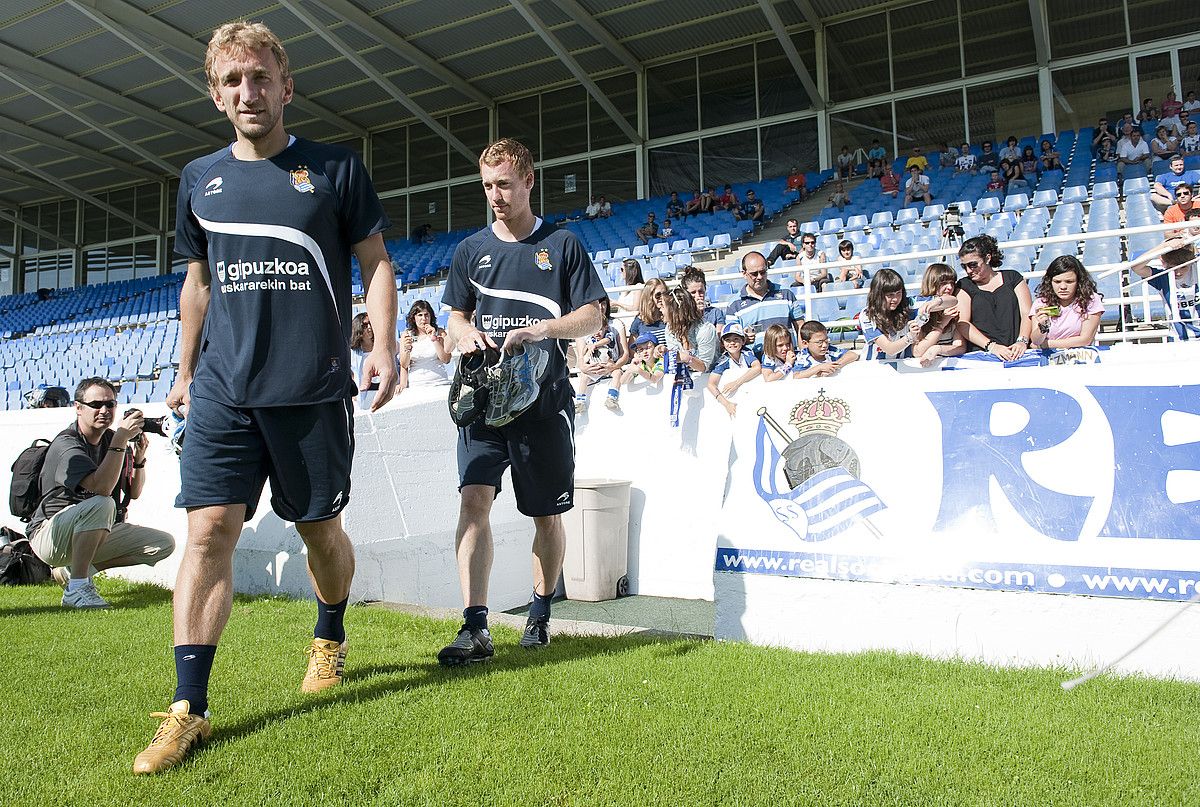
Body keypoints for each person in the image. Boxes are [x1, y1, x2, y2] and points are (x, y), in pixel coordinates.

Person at [134, 21, 399, 776]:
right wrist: (184, 372)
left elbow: (376, 263)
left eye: (260, 78)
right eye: (233, 82)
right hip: (223, 387)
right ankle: (190, 708)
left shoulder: (336, 169)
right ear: (216, 96)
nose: (248, 92)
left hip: (311, 386)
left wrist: (382, 345)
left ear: (287, 86)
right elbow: (198, 284)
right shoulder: (198, 179)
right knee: (209, 531)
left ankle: (330, 631)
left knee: (320, 533)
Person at [439, 137, 606, 665]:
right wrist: (463, 334)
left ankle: (538, 615)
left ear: (529, 181)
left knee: (544, 515)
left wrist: (543, 330)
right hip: (484, 404)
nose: (495, 195)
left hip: (544, 403)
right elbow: (454, 320)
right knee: (473, 503)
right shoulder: (470, 251)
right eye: (487, 186)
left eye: (504, 184)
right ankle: (475, 628)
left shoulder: (563, 245)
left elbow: (595, 316)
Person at [26, 377, 175, 608]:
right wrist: (120, 440)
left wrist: (139, 460)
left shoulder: (111, 440)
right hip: (49, 535)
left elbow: (133, 493)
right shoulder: (67, 444)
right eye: (96, 405)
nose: (104, 410)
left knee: (163, 544)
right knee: (103, 503)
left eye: (110, 404)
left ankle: (74, 572)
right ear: (78, 408)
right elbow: (102, 488)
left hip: (87, 530)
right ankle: (77, 589)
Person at [954, 234, 1033, 360]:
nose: (969, 270)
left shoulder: (1013, 278)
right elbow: (962, 322)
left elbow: (1027, 313)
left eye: (973, 264)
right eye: (964, 266)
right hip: (983, 355)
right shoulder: (964, 285)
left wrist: (1022, 341)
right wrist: (992, 347)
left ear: (987, 258)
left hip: (1018, 351)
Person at [725, 251, 804, 351]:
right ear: (744, 274)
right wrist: (743, 339)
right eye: (754, 274)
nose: (759, 277)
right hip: (756, 363)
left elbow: (800, 326)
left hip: (787, 359)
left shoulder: (786, 293)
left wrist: (804, 353)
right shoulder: (734, 305)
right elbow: (731, 340)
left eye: (763, 272)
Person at [1029, 256, 1104, 349]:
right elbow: (1036, 340)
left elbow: (1085, 339)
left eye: (1069, 281)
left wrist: (1046, 345)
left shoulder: (1091, 300)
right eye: (1057, 281)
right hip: (1047, 359)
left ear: (1079, 281)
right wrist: (1043, 326)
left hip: (1079, 357)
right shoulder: (1041, 302)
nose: (1063, 286)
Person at [1131, 239, 1199, 340]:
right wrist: (1163, 246)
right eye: (1173, 268)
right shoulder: (1163, 277)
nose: (1179, 273)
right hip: (1178, 338)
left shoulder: (1197, 269)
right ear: (1163, 263)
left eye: (1183, 267)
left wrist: (1188, 244)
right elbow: (1136, 267)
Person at [573, 296, 627, 413]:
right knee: (583, 376)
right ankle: (580, 402)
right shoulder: (583, 329)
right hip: (594, 368)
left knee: (618, 373)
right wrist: (585, 366)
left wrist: (613, 366)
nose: (601, 307)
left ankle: (612, 397)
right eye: (597, 303)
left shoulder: (615, 326)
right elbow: (581, 359)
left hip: (611, 366)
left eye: (603, 303)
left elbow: (624, 354)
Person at [858, 269, 918, 361]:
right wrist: (910, 336)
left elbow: (942, 301)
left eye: (899, 293)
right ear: (878, 295)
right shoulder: (867, 314)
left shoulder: (909, 304)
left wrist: (936, 302)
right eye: (890, 295)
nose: (895, 299)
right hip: (874, 366)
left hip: (902, 364)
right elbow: (889, 349)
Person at [911, 263, 965, 364]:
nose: (949, 287)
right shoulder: (920, 308)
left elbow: (960, 347)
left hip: (948, 366)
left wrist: (937, 349)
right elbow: (918, 352)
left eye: (952, 283)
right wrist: (942, 324)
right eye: (944, 283)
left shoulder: (954, 310)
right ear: (932, 283)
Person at [350, 312, 403, 409]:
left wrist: (401, 383)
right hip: (364, 395)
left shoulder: (388, 346)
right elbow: (350, 373)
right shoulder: (353, 353)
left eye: (371, 323)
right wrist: (353, 394)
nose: (369, 327)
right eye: (365, 325)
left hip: (388, 390)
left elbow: (403, 363)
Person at [707, 323, 759, 417]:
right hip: (735, 402)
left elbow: (757, 367)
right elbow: (711, 384)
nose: (732, 343)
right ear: (723, 343)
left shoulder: (747, 353)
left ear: (743, 341)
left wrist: (736, 383)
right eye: (727, 340)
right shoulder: (724, 360)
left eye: (736, 339)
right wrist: (726, 404)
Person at [399, 299, 452, 388]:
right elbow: (404, 364)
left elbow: (446, 359)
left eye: (426, 315)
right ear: (413, 317)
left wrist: (434, 339)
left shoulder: (440, 332)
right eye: (420, 315)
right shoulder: (407, 335)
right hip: (416, 385)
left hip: (440, 383)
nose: (424, 319)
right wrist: (407, 349)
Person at [609, 333, 664, 408]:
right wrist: (630, 368)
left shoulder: (660, 361)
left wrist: (639, 370)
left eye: (648, 348)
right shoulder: (641, 364)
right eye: (641, 349)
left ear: (655, 348)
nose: (644, 352)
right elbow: (623, 381)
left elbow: (655, 379)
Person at [793, 320, 858, 378]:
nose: (824, 345)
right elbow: (796, 376)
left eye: (826, 341)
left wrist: (833, 367)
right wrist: (820, 368)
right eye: (819, 342)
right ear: (805, 343)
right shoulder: (802, 357)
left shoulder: (830, 350)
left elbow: (853, 355)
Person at [680, 265, 726, 330]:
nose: (698, 295)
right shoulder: (682, 315)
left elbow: (719, 337)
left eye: (701, 291)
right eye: (693, 292)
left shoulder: (715, 313)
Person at [628, 277, 669, 349]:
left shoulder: (671, 317)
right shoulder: (639, 321)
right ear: (649, 297)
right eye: (658, 295)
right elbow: (632, 351)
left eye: (665, 294)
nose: (662, 298)